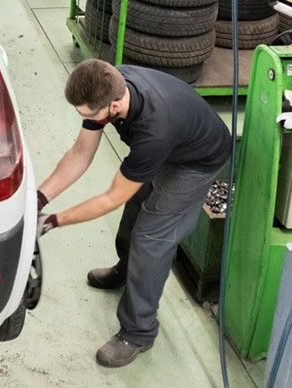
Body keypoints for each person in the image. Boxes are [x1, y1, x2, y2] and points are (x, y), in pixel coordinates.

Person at [36, 60, 232, 369]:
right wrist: (38, 199)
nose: (84, 120)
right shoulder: (109, 82)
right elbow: (80, 153)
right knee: (136, 205)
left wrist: (52, 221)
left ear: (113, 107)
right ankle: (125, 270)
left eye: (87, 115)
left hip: (196, 160)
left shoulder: (155, 130)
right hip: (173, 141)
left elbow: (111, 198)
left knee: (151, 237)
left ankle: (138, 332)